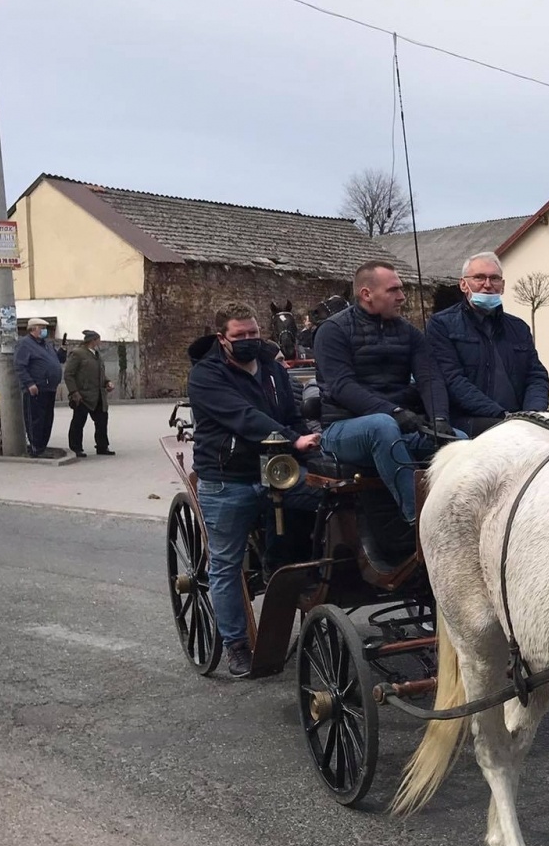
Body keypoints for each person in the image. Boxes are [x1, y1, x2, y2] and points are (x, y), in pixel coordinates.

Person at [187, 301, 322, 679]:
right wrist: (294, 440)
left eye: (253, 334)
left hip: (278, 471)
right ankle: (236, 645)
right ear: (222, 338)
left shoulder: (275, 370)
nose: (248, 340)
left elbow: (293, 414)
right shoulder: (205, 375)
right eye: (240, 336)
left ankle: (289, 572)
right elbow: (245, 418)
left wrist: (309, 433)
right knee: (226, 564)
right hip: (228, 476)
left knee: (323, 503)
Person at [315, 260, 452, 531]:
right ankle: (421, 522)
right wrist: (395, 412)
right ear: (367, 294)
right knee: (382, 426)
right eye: (394, 290)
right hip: (343, 429)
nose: (402, 297)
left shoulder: (410, 333)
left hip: (398, 427)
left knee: (458, 442)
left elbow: (429, 377)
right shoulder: (333, 331)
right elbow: (342, 386)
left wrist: (439, 418)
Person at [425, 251, 549, 436]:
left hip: (519, 421)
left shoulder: (518, 328)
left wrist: (533, 414)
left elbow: (536, 375)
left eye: (494, 278)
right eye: (479, 278)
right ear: (463, 284)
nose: (488, 285)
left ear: (503, 285)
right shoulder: (442, 324)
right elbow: (452, 379)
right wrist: (501, 415)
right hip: (469, 422)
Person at [15, 317, 63, 457]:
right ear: (33, 329)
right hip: (36, 388)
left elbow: (57, 360)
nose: (45, 331)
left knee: (47, 419)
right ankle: (36, 448)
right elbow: (20, 366)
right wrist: (29, 383)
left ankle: (43, 446)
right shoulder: (25, 344)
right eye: (42, 328)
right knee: (36, 419)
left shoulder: (46, 344)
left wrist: (62, 352)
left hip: (50, 387)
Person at [64, 329, 115, 458]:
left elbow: (99, 374)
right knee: (78, 422)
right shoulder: (78, 354)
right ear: (93, 340)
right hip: (83, 396)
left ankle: (102, 446)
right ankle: (76, 448)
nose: (100, 342)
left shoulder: (96, 355)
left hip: (98, 395)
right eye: (98, 339)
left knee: (102, 420)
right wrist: (74, 392)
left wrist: (107, 382)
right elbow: (68, 374)